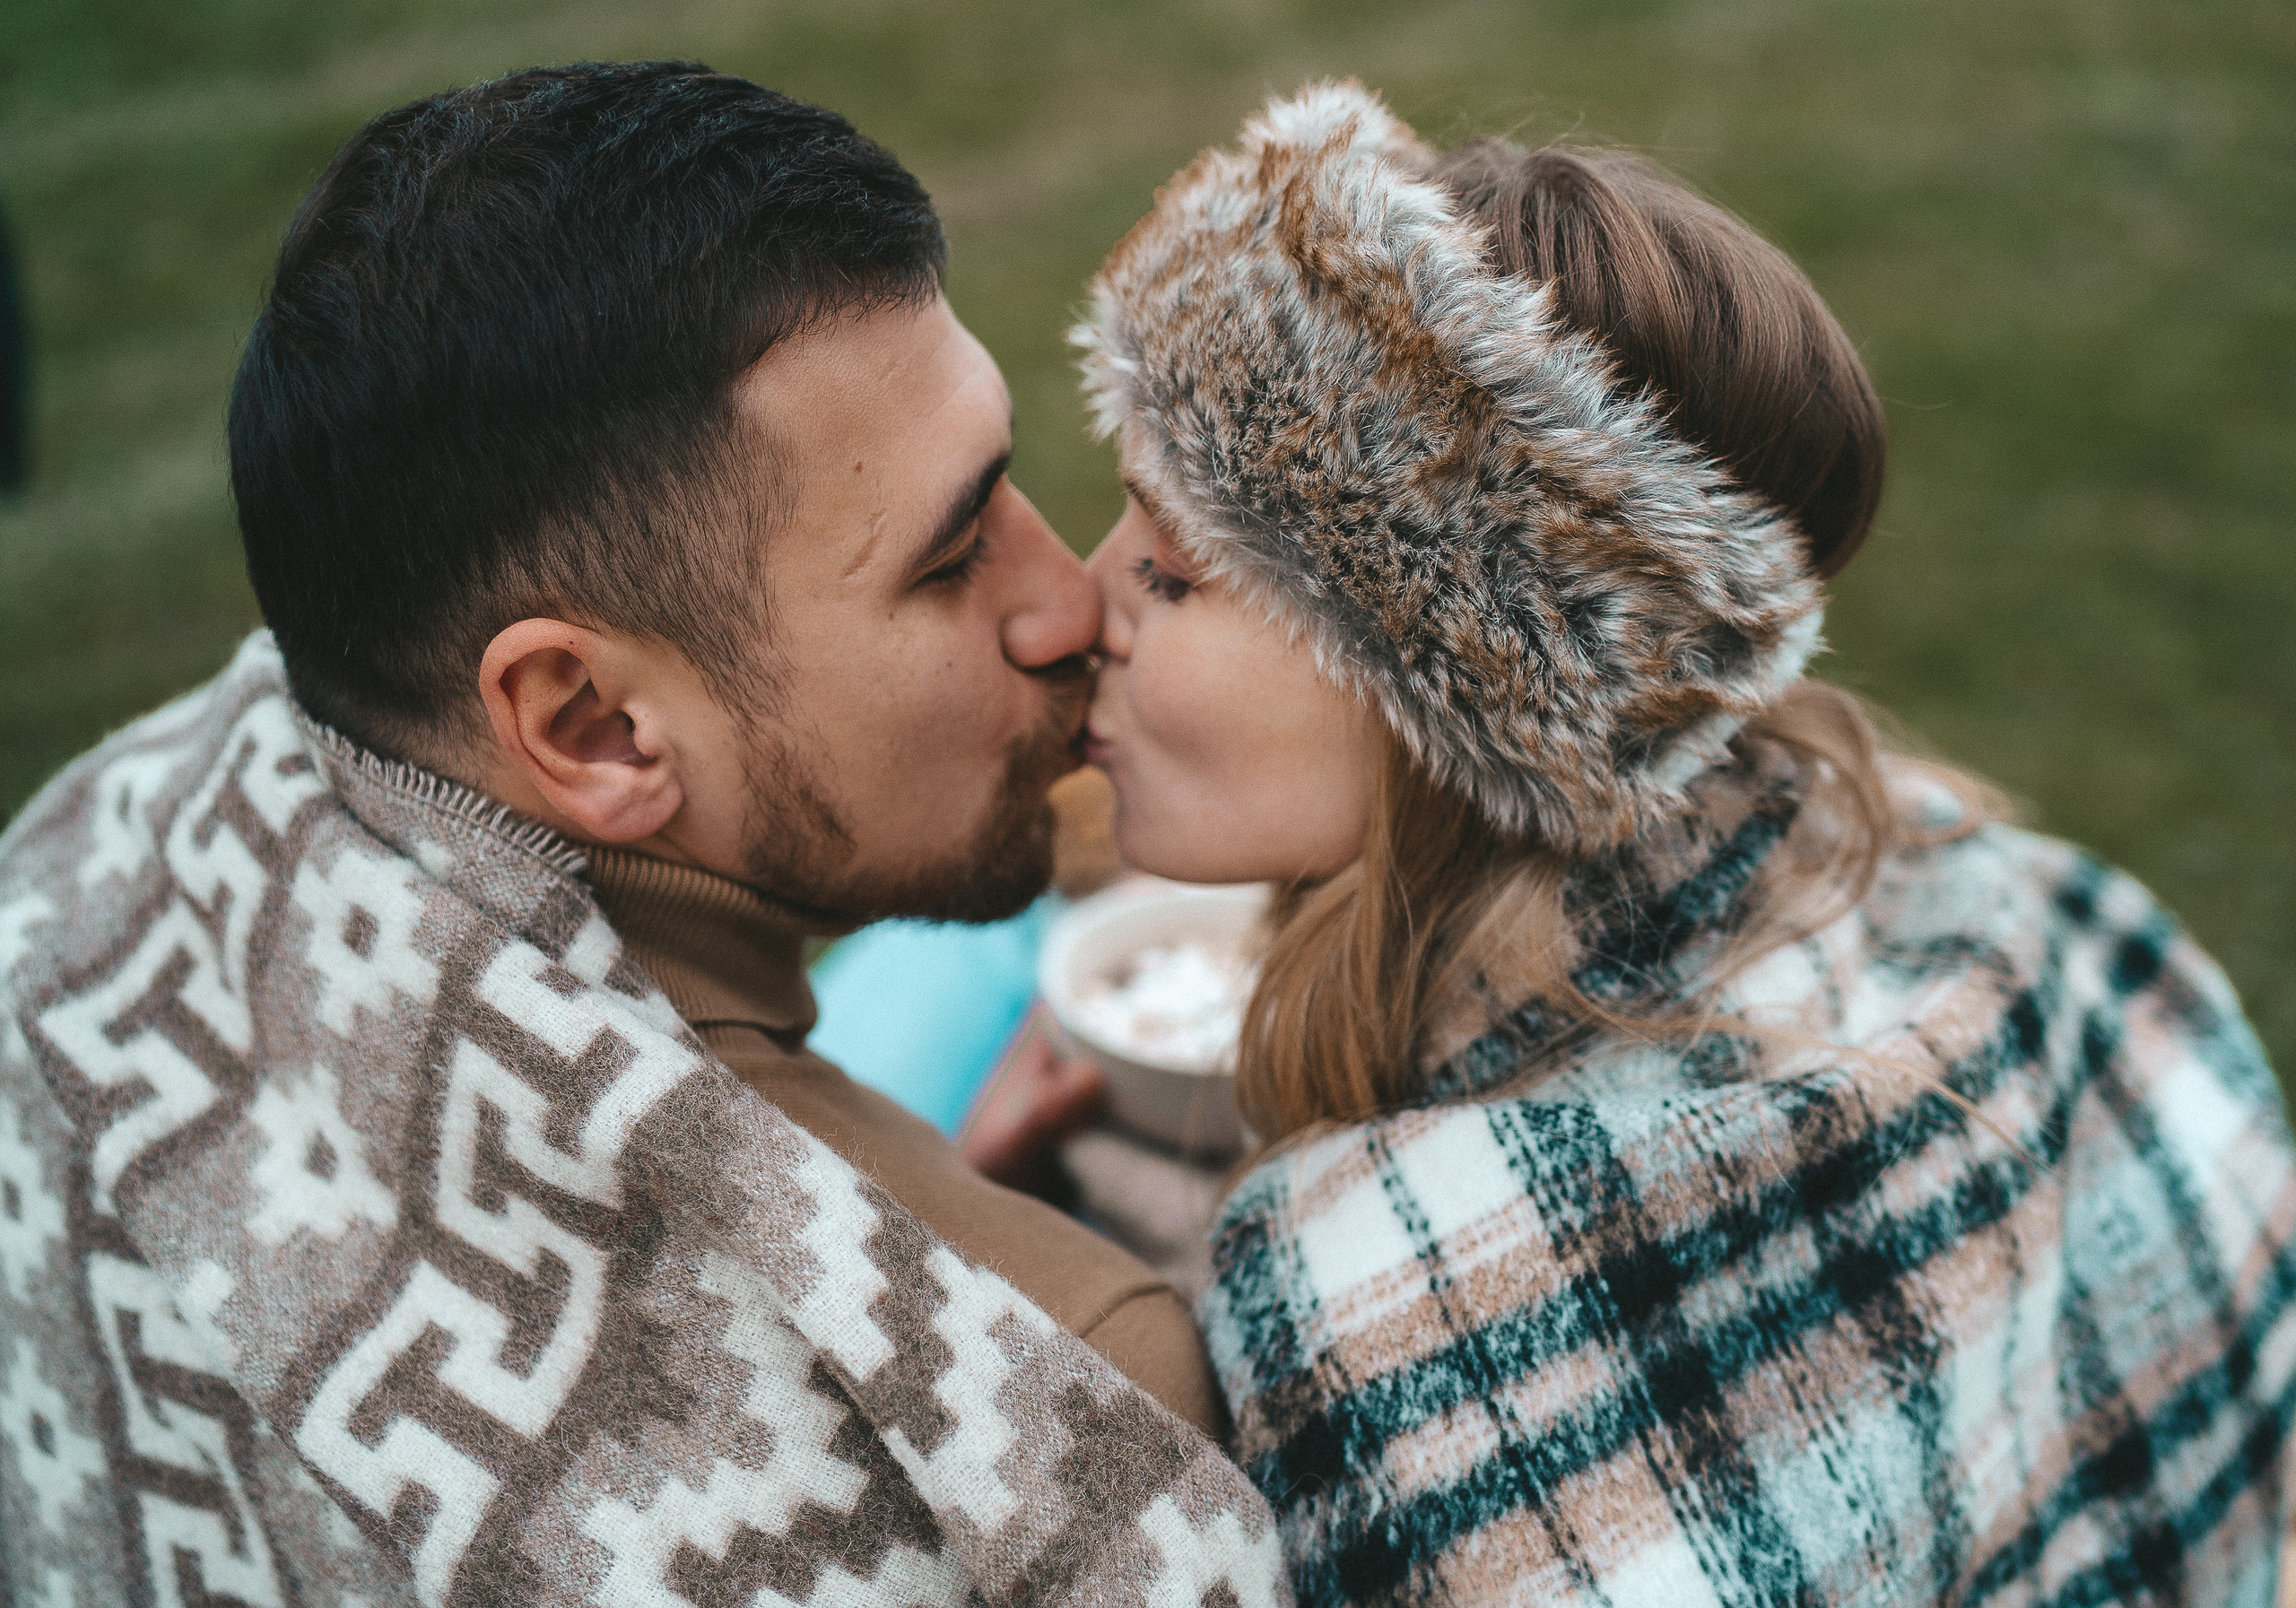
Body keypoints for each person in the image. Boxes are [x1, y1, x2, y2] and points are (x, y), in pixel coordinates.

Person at [0, 63, 1283, 1607]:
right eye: (950, 561)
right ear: (589, 724)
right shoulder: (1067, 1410)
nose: (1067, 596)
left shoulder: (84, 844)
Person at [1069, 81, 2296, 1604]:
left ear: (1438, 697)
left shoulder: (1384, 1303)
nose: (1074, 602)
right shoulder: (2019, 896)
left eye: (1174, 575)